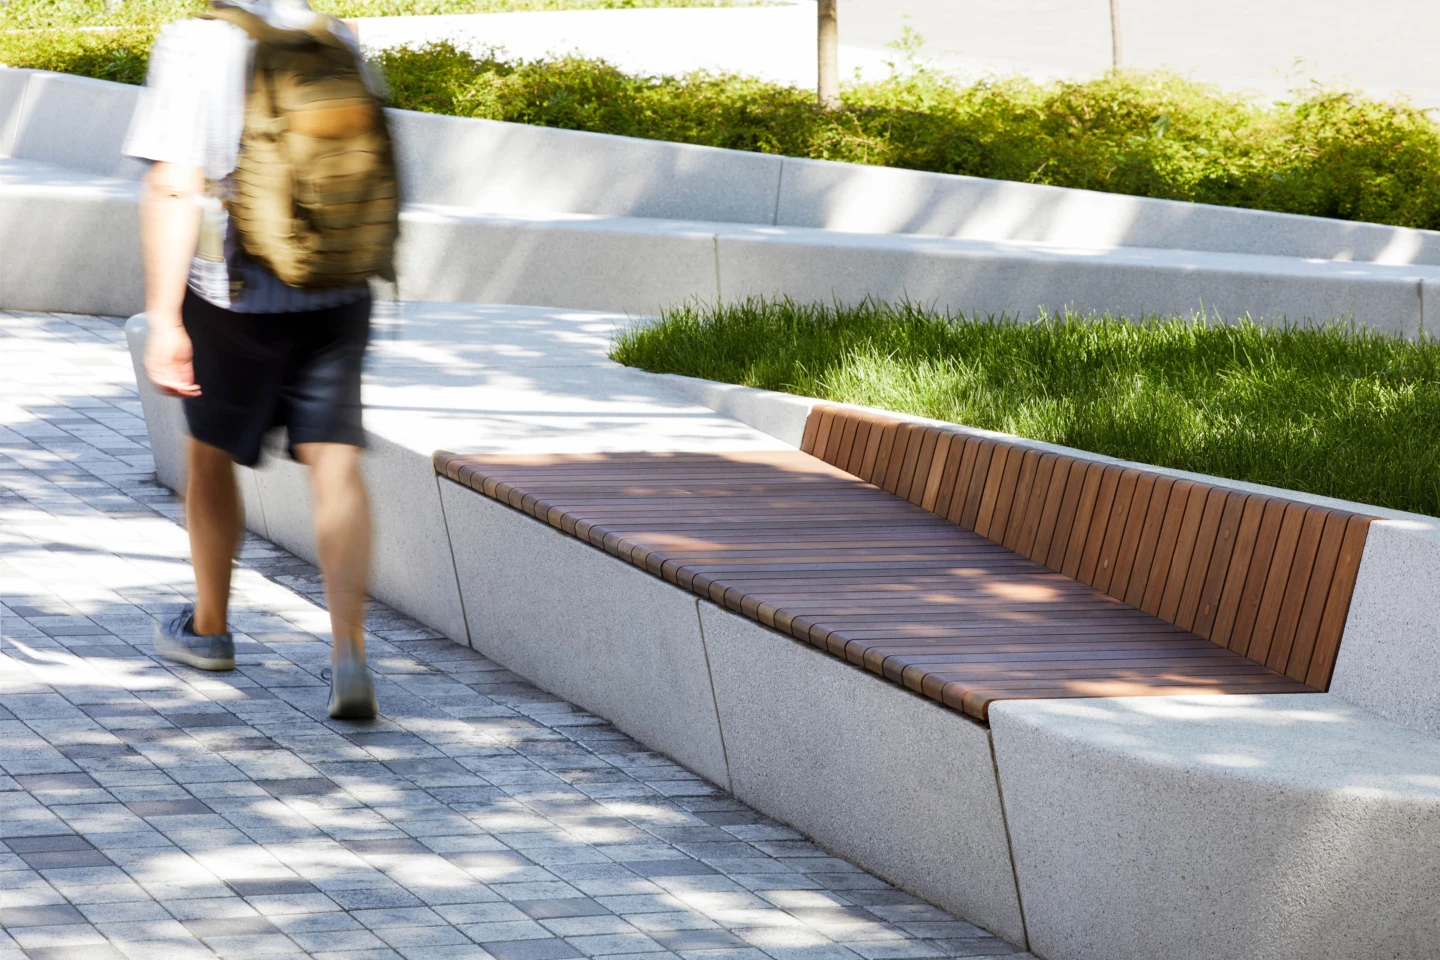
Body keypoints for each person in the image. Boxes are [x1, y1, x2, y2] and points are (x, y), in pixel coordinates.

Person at [125, 0, 394, 720]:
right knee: (335, 460)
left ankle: (209, 628)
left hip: (234, 297)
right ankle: (349, 654)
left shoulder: (197, 43)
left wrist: (163, 319)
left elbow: (175, 184)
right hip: (338, 288)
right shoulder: (328, 31)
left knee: (210, 453)